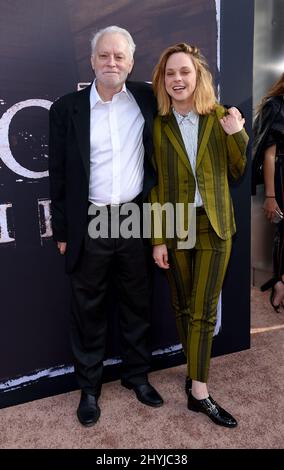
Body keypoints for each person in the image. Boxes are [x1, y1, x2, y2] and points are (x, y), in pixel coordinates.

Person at [48, 25, 163, 427]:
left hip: (133, 216)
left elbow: (191, 106)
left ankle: (136, 376)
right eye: (104, 56)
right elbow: (57, 177)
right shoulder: (66, 109)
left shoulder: (149, 100)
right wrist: (63, 232)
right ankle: (90, 388)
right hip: (90, 219)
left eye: (119, 56)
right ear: (92, 60)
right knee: (88, 308)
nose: (111, 62)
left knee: (137, 302)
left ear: (131, 62)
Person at [149, 43, 248, 427]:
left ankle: (199, 392)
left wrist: (238, 134)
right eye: (170, 73)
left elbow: (239, 172)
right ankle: (194, 370)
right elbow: (156, 185)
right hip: (175, 225)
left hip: (215, 224)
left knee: (204, 309)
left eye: (184, 72)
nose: (177, 79)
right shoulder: (157, 125)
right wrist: (157, 237)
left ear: (197, 75)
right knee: (183, 305)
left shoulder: (219, 115)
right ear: (163, 80)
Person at [252, 73, 284, 311]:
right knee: (283, 232)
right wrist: (271, 196)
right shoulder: (276, 106)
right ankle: (280, 283)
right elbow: (269, 155)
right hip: (282, 175)